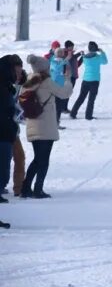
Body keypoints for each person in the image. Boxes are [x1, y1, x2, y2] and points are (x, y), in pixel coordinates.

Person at [19, 54, 72, 199]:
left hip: (32, 125)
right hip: (46, 126)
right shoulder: (47, 81)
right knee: (43, 160)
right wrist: (67, 79)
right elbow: (64, 93)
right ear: (45, 68)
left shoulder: (28, 81)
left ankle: (25, 188)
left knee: (37, 159)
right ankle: (38, 190)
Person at [70, 42, 107, 120]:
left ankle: (73, 113)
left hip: (85, 80)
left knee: (81, 97)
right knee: (91, 99)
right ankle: (88, 116)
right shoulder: (98, 57)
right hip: (95, 81)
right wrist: (102, 52)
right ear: (96, 49)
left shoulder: (85, 58)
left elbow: (84, 56)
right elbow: (105, 62)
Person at [0, 55, 20, 203]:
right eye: (17, 70)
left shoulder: (6, 85)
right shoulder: (3, 87)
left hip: (6, 131)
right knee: (3, 168)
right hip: (3, 132)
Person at [49, 47, 69, 128]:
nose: (63, 54)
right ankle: (54, 123)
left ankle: (56, 122)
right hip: (55, 87)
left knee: (58, 106)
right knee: (56, 106)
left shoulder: (61, 61)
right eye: (62, 53)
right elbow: (56, 69)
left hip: (60, 86)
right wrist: (64, 61)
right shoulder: (53, 61)